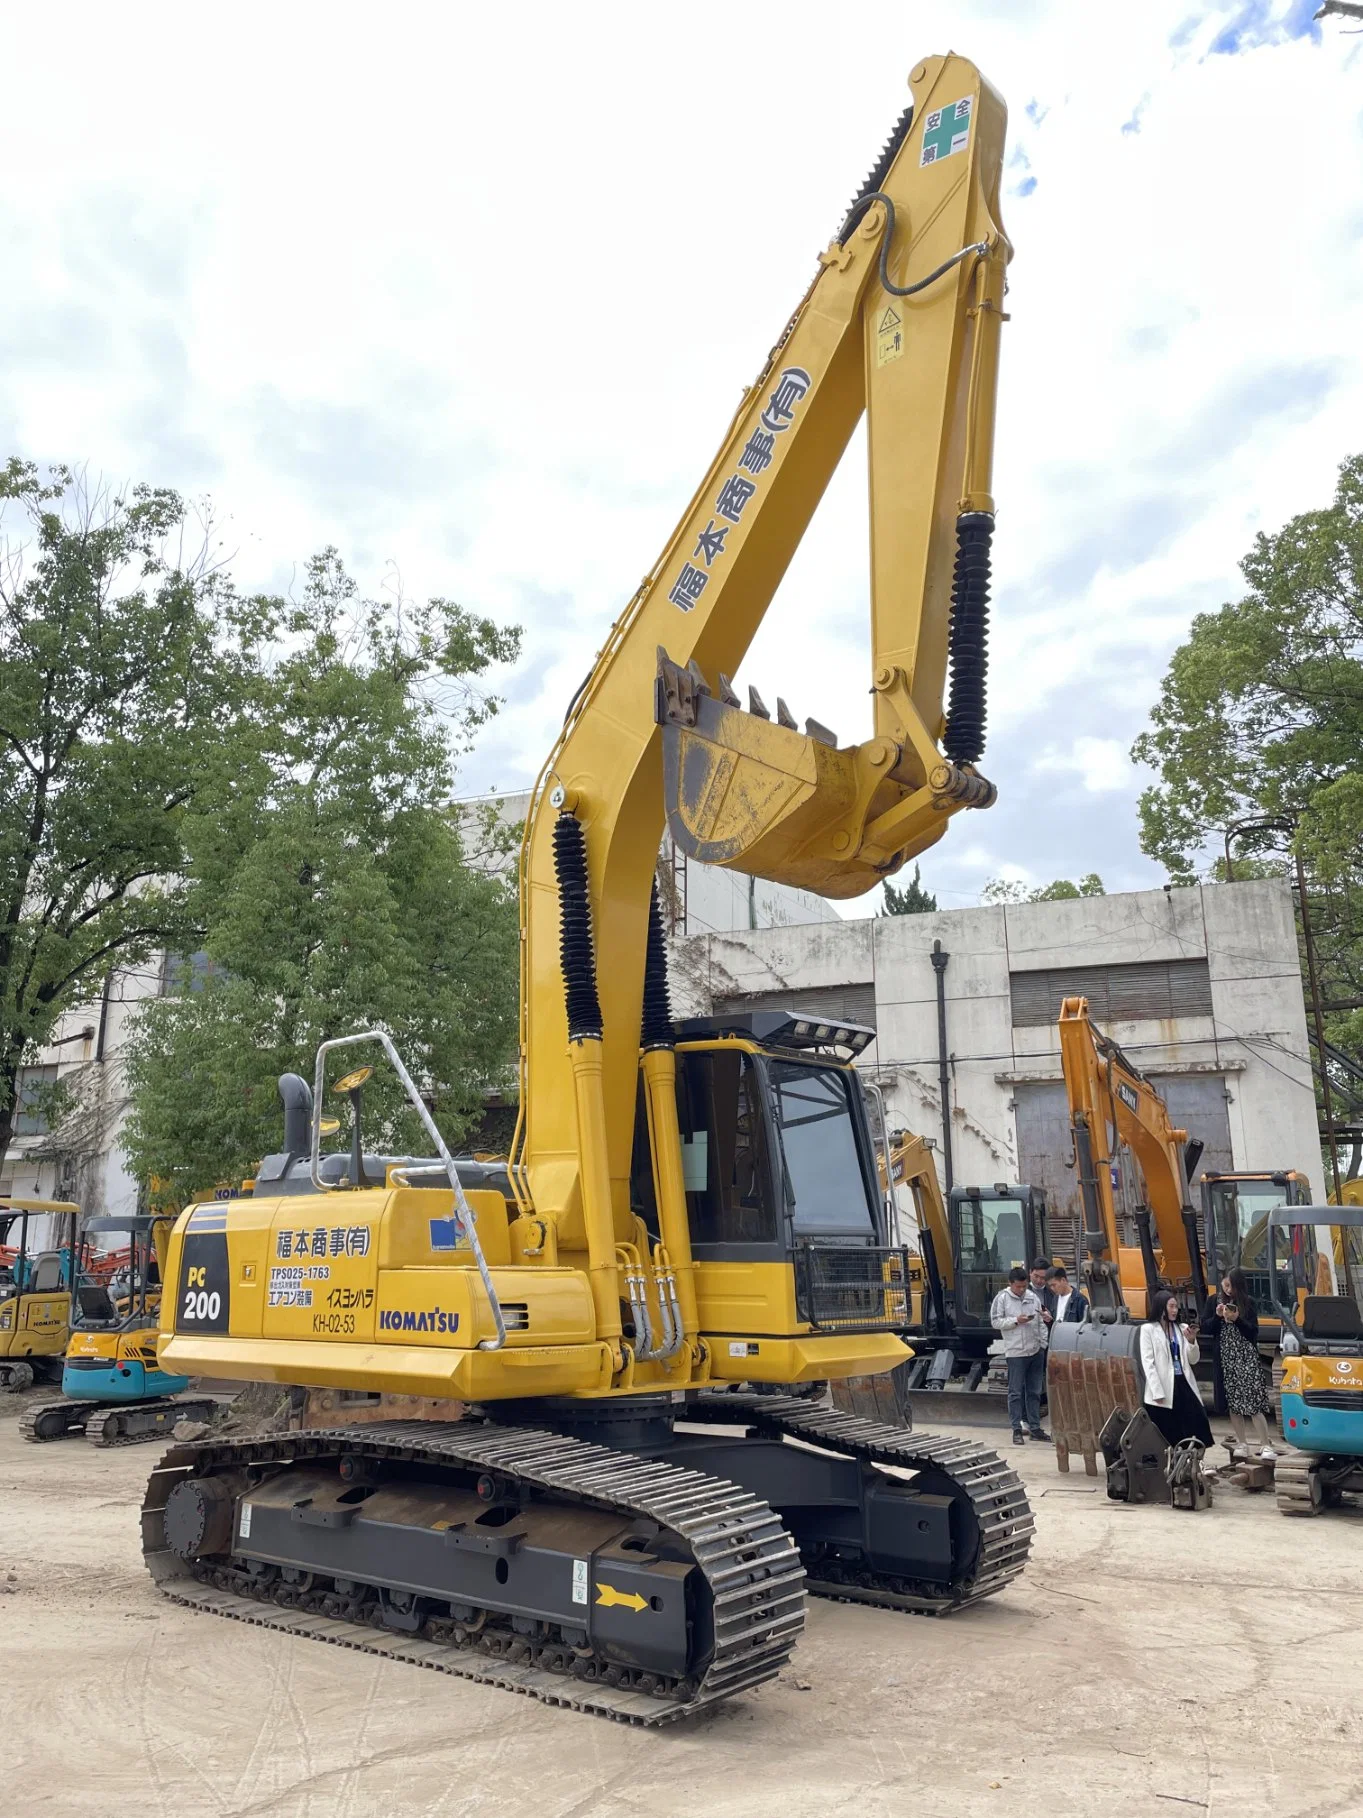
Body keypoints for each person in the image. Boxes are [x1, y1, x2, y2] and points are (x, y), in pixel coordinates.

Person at [1201, 1267, 1275, 1460]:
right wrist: (1218, 1317)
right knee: (1233, 1403)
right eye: (1225, 1285)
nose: (1227, 1290)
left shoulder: (1248, 1303)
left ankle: (1265, 1444)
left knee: (1253, 1402)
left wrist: (1237, 1319)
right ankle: (1242, 1443)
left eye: (1231, 1286)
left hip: (1246, 1357)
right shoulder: (1213, 1301)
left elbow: (1253, 1331)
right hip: (1225, 1358)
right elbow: (1206, 1328)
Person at [1138, 1287, 1213, 1450]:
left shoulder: (1182, 1328)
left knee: (1196, 1422)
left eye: (1176, 1307)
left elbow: (1193, 1360)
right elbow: (1148, 1363)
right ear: (1161, 1307)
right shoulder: (1148, 1330)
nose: (1174, 1310)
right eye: (1171, 1306)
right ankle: (1171, 1466)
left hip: (1183, 1382)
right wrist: (1157, 1391)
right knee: (1167, 1432)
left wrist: (1192, 1342)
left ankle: (1191, 1462)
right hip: (1163, 1387)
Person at [991, 1265, 1050, 1445]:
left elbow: (1040, 1322)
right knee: (1015, 1392)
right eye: (1018, 1286)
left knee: (1034, 1391)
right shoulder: (1002, 1299)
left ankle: (1035, 1428)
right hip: (1015, 1352)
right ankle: (1016, 1428)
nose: (1022, 1289)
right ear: (1011, 1284)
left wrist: (1043, 1344)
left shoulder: (1033, 1298)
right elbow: (995, 1321)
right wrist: (1016, 1321)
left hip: (1035, 1351)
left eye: (1024, 1286)